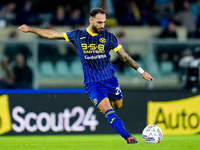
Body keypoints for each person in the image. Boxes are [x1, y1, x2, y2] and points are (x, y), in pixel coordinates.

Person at [18, 7, 154, 144]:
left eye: (104, 22)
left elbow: (124, 57)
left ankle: (110, 102)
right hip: (93, 84)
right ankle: (128, 137)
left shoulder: (109, 37)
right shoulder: (77, 35)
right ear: (91, 20)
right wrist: (31, 29)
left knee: (118, 105)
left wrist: (142, 72)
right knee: (108, 110)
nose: (102, 25)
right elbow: (53, 34)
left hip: (110, 80)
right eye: (99, 22)